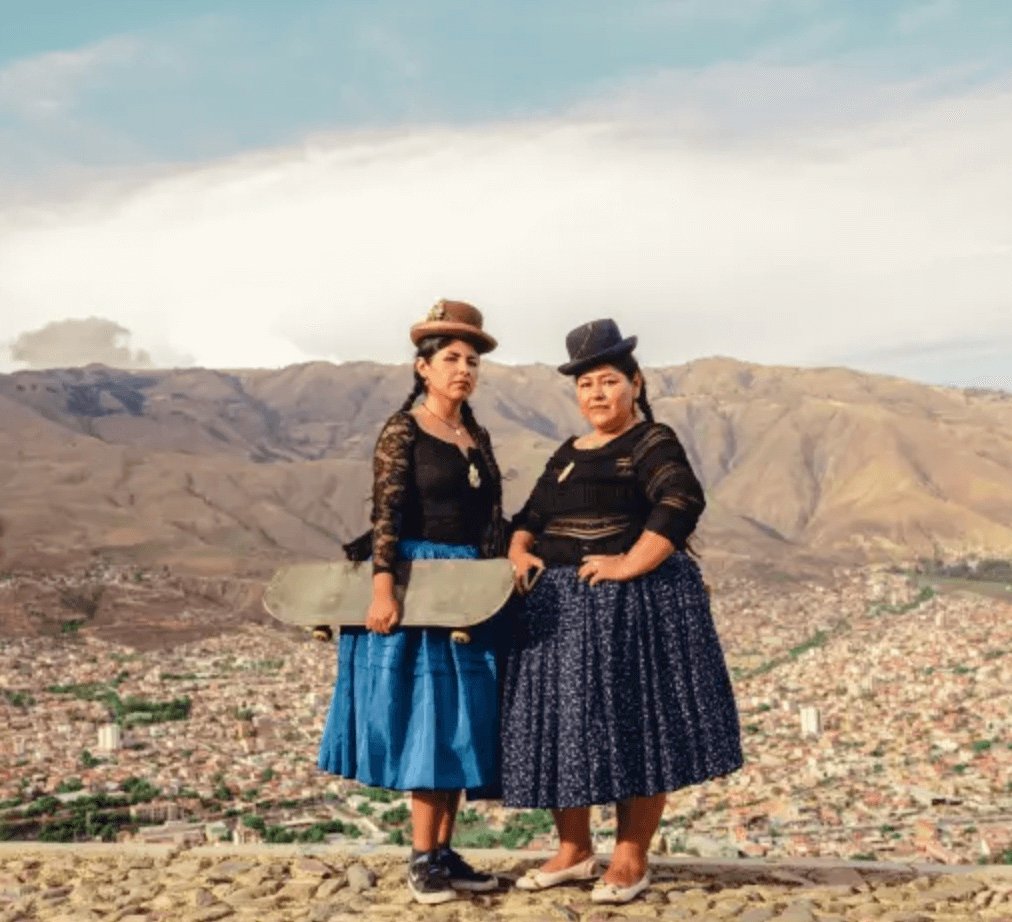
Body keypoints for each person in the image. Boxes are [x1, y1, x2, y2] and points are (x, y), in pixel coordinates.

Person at [501, 318, 743, 905]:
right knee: (566, 727)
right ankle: (574, 850)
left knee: (637, 726)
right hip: (558, 613)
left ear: (636, 383)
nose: (597, 394)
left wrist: (630, 563)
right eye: (585, 385)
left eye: (608, 381)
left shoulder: (651, 441)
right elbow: (530, 517)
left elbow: (681, 499)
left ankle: (631, 856)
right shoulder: (567, 452)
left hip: (631, 612)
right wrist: (519, 550)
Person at [317, 300, 507, 904]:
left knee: (459, 722)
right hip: (417, 586)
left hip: (468, 590)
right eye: (451, 358)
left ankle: (445, 852)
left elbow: (490, 518)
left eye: (471, 361)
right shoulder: (404, 430)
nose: (463, 369)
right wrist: (383, 589)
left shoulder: (475, 436)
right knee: (430, 718)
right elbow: (387, 513)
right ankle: (423, 857)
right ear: (423, 367)